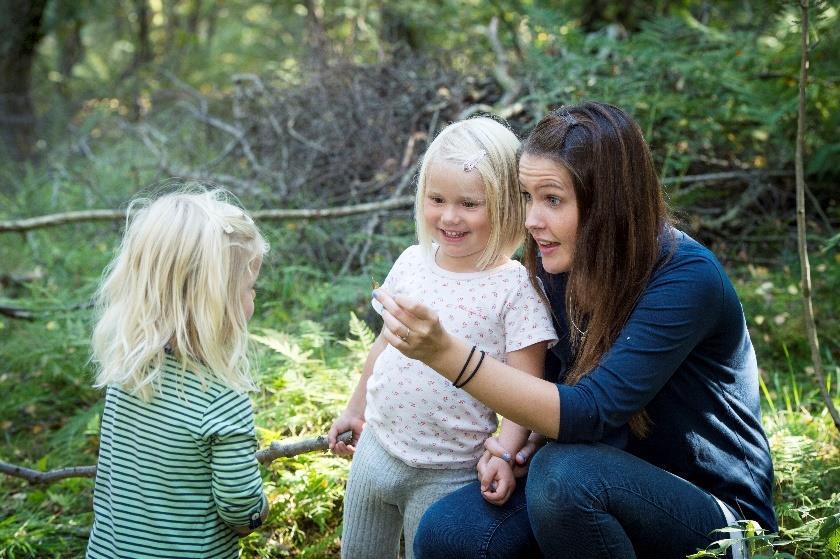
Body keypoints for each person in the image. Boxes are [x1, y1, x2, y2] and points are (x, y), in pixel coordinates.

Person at [373, 101, 777, 559]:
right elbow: (546, 384)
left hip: (714, 518)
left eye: (552, 200)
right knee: (448, 532)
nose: (531, 220)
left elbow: (590, 411)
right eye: (527, 197)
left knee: (564, 478)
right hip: (596, 482)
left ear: (608, 202)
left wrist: (445, 353)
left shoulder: (686, 279)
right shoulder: (557, 259)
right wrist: (517, 444)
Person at [327, 117, 558, 559]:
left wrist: (506, 455)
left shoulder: (515, 287)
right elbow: (383, 344)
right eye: (437, 199)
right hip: (377, 449)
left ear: (505, 204)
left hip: (448, 470)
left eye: (470, 204)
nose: (449, 216)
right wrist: (353, 409)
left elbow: (527, 389)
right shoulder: (413, 261)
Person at [86, 188, 270, 559]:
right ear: (213, 302)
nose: (254, 299)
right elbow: (238, 508)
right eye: (250, 288)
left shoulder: (129, 370)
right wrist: (258, 514)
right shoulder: (222, 400)